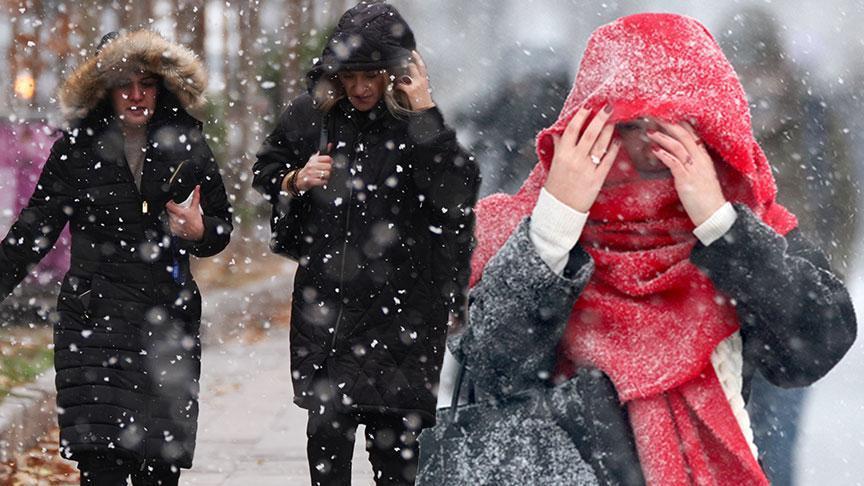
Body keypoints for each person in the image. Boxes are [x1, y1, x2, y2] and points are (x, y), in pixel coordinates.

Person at [444, 13, 856, 485]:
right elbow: (491, 370)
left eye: (673, 123)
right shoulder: (540, 223)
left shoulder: (742, 224)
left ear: (708, 125)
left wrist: (721, 225)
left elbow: (816, 344)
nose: (649, 146)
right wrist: (554, 225)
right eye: (630, 124)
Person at [251, 2, 479, 485]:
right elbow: (265, 170)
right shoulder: (313, 115)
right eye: (350, 75)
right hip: (329, 319)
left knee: (397, 469)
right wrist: (295, 179)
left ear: (394, 72)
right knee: (326, 460)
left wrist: (426, 112)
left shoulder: (417, 122)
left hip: (403, 323)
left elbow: (457, 194)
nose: (359, 87)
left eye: (371, 75)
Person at [0, 30, 232, 485]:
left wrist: (200, 230)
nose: (135, 94)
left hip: (166, 324)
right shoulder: (76, 149)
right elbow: (33, 230)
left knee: (159, 469)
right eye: (123, 83)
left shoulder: (188, 145)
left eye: (146, 83)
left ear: (162, 86)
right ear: (103, 89)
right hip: (93, 325)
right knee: (102, 465)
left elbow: (220, 227)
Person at [718, 8, 861, 484]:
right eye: (740, 67)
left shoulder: (813, 121)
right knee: (724, 451)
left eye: (758, 65)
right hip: (721, 313)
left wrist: (826, 275)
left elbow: (843, 204)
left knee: (775, 448)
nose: (752, 80)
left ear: (778, 63)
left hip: (791, 310)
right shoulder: (712, 123)